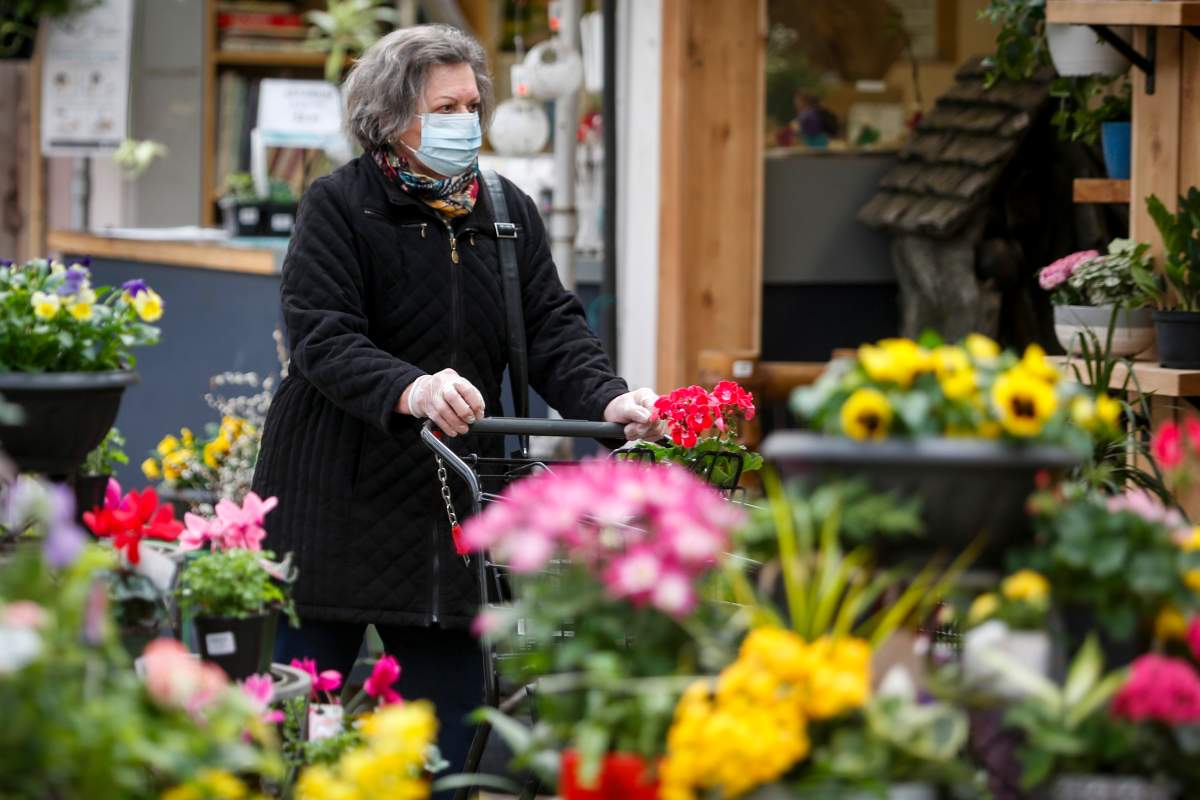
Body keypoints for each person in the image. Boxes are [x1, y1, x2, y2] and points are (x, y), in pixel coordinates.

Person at [251, 24, 660, 779]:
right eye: (447, 107)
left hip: (448, 512)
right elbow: (321, 336)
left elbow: (551, 328)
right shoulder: (339, 207)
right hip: (332, 501)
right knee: (302, 740)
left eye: (472, 104)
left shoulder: (504, 211)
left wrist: (611, 403)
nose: (466, 121)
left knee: (448, 750)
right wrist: (412, 387)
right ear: (391, 121)